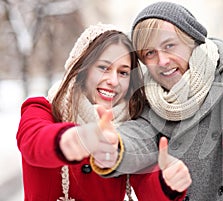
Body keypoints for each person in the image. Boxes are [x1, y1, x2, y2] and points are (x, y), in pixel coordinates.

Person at [90, 2, 223, 201]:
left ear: (192, 40)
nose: (162, 61)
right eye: (150, 53)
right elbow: (139, 136)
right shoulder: (151, 96)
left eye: (169, 46)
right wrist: (114, 147)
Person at [16, 22, 191, 201]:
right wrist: (72, 139)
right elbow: (33, 141)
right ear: (82, 68)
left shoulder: (131, 129)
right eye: (103, 68)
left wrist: (167, 182)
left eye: (123, 72)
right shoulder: (42, 108)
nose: (113, 81)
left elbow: (147, 187)